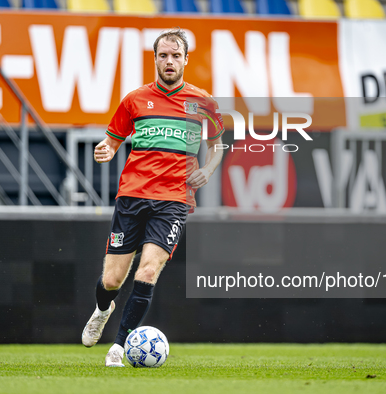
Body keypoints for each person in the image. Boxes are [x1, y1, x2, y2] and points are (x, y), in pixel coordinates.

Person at [81, 28, 225, 367]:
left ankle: (118, 346)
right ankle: (104, 308)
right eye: (164, 55)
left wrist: (208, 169)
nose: (170, 61)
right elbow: (112, 141)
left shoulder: (204, 103)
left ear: (186, 60)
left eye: (176, 56)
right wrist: (105, 149)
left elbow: (217, 146)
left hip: (173, 201)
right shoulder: (135, 100)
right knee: (112, 280)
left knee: (148, 270)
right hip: (132, 197)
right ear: (156, 59)